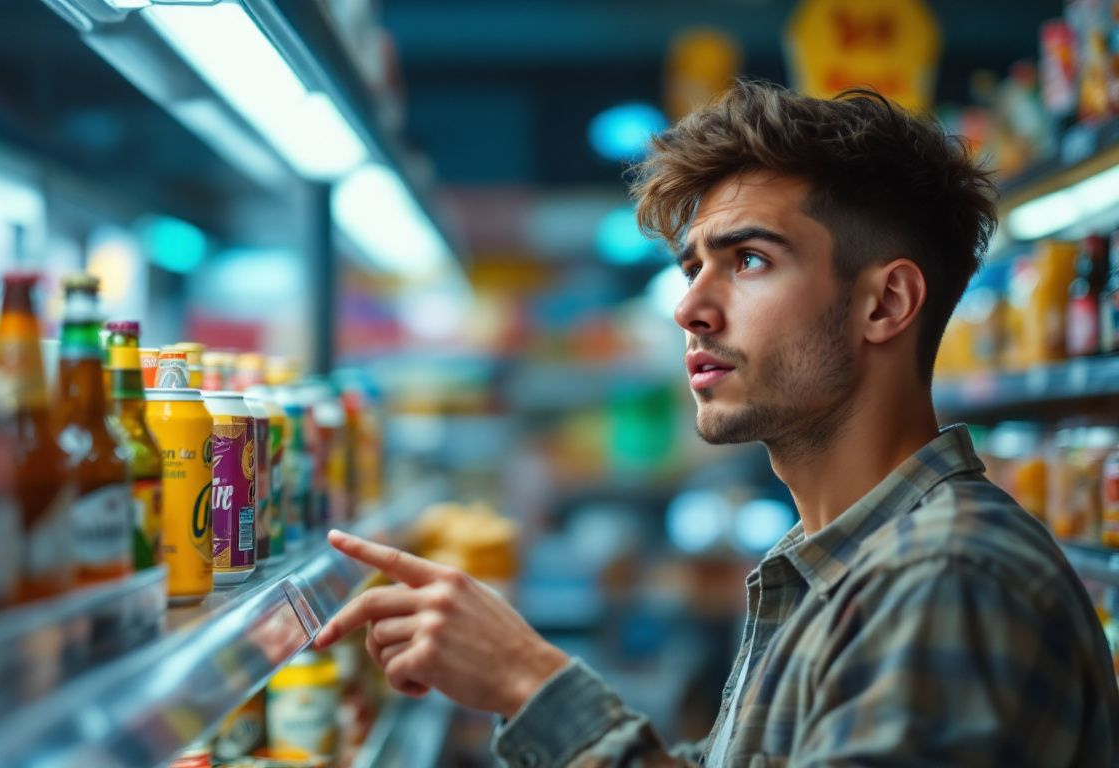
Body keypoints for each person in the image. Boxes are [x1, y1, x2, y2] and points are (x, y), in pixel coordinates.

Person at [312, 81, 1119, 766]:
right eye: (693, 266)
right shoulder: (839, 560)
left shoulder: (945, 580)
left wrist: (533, 683)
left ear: (886, 303)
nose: (690, 308)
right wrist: (510, 673)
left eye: (751, 261)